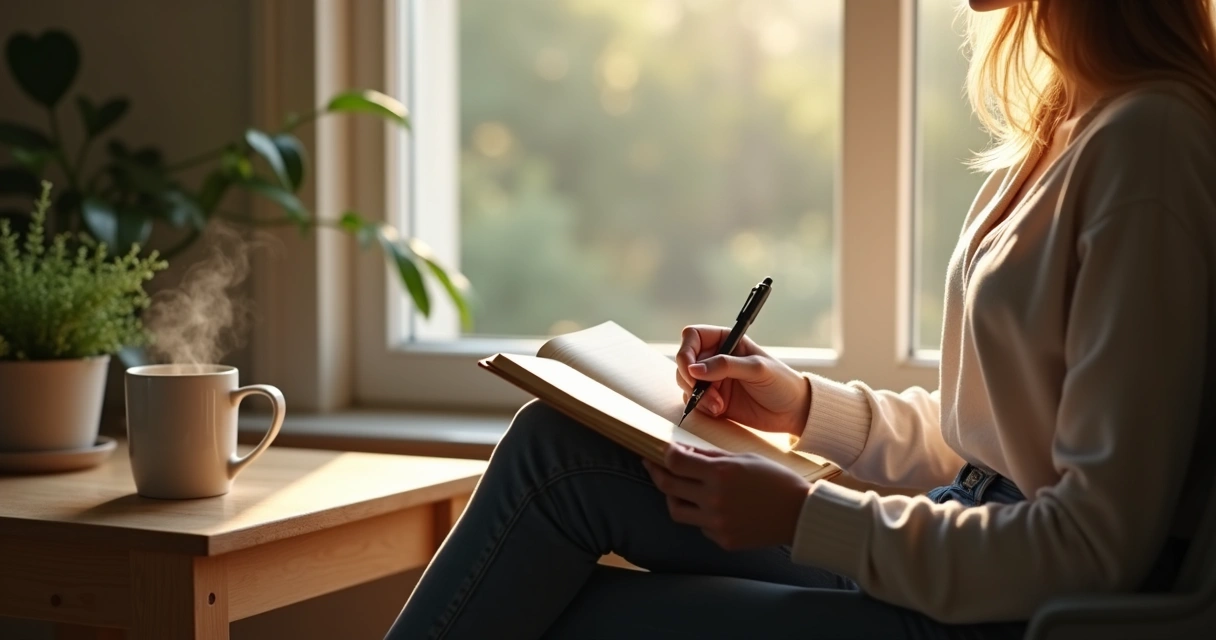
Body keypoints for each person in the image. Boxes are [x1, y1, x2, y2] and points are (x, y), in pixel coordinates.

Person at [386, 0, 1216, 637]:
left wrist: (804, 517)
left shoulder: (1151, 147)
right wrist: (803, 408)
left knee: (546, 612)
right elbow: (994, 443)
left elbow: (1095, 547)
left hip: (1000, 611)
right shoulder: (1068, 124)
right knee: (554, 451)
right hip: (962, 540)